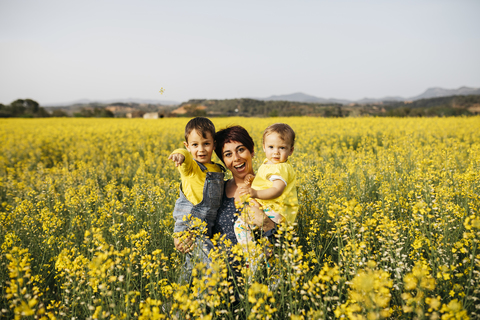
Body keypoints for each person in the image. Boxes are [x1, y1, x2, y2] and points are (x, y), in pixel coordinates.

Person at [168, 117, 225, 284]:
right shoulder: (191, 167)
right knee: (210, 267)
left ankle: (180, 302)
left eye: (206, 144)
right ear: (188, 146)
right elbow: (184, 157)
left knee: (192, 268)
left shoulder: (216, 168)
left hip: (207, 227)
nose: (201, 149)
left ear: (214, 145)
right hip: (190, 226)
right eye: (195, 145)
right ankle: (203, 303)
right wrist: (179, 154)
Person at [235, 123, 298, 248]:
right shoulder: (269, 164)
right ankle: (264, 253)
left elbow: (277, 189)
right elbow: (267, 182)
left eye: (282, 148)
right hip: (272, 208)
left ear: (291, 150)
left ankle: (253, 256)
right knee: (256, 232)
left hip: (275, 210)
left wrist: (255, 193)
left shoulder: (280, 168)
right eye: (271, 147)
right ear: (264, 147)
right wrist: (254, 180)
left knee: (240, 225)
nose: (276, 152)